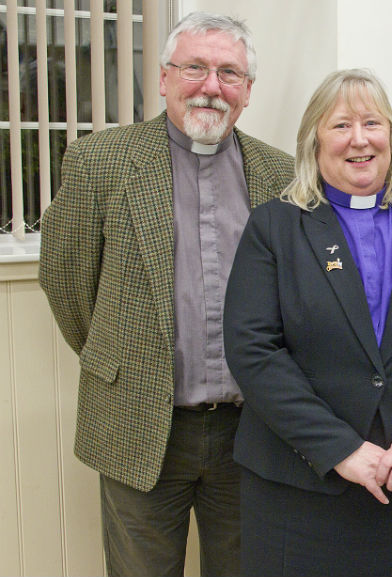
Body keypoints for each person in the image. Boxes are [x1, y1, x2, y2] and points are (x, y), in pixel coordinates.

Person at [38, 12, 294, 576]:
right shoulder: (99, 162)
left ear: (248, 91)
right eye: (195, 68)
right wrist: (124, 362)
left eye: (229, 73)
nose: (210, 86)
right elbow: (66, 278)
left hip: (251, 431)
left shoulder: (281, 174)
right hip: (141, 421)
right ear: (163, 78)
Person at [223, 68, 392, 577]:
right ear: (313, 141)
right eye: (340, 125)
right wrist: (341, 448)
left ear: (391, 136)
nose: (359, 139)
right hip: (300, 487)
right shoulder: (274, 227)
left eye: (372, 123)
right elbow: (252, 350)